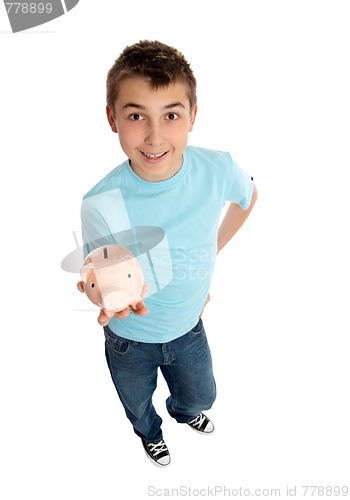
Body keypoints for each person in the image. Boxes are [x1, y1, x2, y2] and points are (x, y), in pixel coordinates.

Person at [77, 40, 258, 467]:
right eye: (137, 116)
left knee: (202, 395)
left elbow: (248, 197)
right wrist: (103, 299)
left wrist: (212, 249)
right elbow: (97, 275)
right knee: (137, 402)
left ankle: (183, 411)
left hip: (188, 326)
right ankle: (149, 433)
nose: (155, 136)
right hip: (129, 340)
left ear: (192, 116)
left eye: (171, 115)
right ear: (113, 119)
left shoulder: (217, 169)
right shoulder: (99, 203)